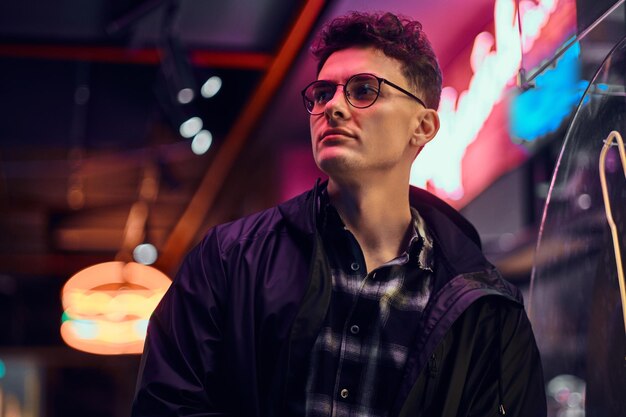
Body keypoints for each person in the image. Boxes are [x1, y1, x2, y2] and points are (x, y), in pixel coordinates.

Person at [131, 11, 546, 417]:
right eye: (322, 93)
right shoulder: (228, 259)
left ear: (422, 126)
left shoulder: (487, 307)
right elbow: (165, 405)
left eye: (364, 90)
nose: (333, 107)